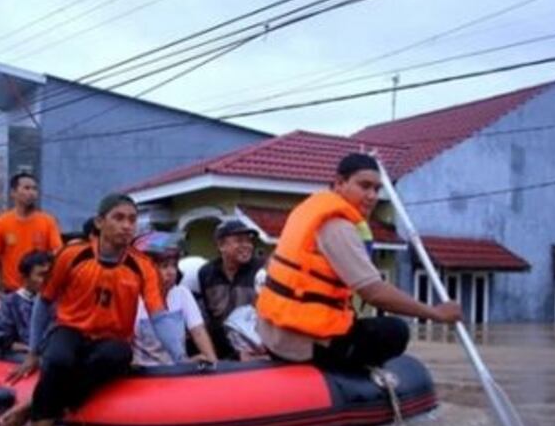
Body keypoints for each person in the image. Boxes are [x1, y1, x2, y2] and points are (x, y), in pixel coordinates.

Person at [0, 194, 185, 426]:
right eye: (118, 218)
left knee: (118, 355)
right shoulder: (72, 254)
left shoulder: (142, 266)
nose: (127, 225)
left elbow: (159, 317)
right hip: (70, 330)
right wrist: (33, 353)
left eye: (132, 219)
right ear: (99, 222)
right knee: (57, 360)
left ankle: (31, 406)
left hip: (110, 340)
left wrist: (181, 360)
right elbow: (44, 303)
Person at [256, 152, 461, 371]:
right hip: (301, 344)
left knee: (352, 319)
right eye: (364, 186)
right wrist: (436, 313)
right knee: (394, 331)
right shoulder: (337, 227)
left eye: (376, 189)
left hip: (271, 334)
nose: (372, 196)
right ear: (339, 183)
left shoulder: (305, 212)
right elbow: (374, 293)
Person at [131, 231, 218, 367]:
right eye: (164, 266)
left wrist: (214, 364)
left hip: (177, 371)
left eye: (173, 265)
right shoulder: (132, 299)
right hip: (144, 373)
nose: (171, 272)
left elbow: (198, 331)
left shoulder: (182, 293)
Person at [0, 172, 63, 305]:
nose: (32, 193)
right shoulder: (0, 224)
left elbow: (58, 253)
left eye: (34, 189)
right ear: (13, 193)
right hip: (11, 293)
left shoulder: (48, 221)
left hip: (41, 293)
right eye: (26, 188)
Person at [197, 217, 264, 359]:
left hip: (255, 355)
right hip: (220, 355)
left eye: (249, 240)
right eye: (239, 240)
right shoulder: (206, 273)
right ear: (221, 245)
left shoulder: (261, 271)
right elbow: (209, 318)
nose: (247, 245)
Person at [0, 250, 53, 353]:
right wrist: (31, 351)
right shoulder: (10, 302)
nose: (46, 280)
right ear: (25, 278)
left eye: (49, 274)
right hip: (23, 356)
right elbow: (3, 339)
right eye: (41, 275)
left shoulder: (59, 299)